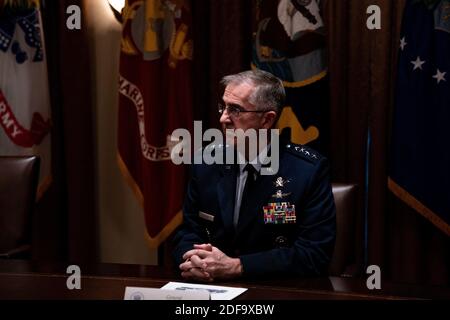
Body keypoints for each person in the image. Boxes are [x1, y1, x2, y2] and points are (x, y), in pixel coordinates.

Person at [172, 69, 336, 282]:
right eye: (223, 107)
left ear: (267, 120)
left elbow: (314, 254)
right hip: (212, 286)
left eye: (236, 110)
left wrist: (238, 267)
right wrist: (194, 260)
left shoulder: (306, 171)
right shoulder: (205, 163)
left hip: (277, 290)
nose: (223, 118)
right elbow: (187, 232)